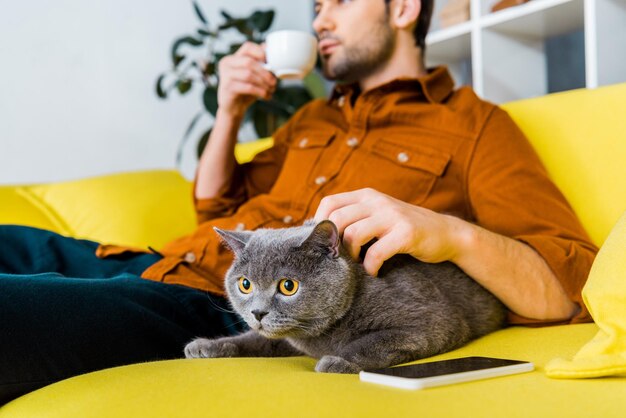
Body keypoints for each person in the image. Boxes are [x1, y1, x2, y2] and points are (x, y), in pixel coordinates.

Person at [0, 0, 596, 405]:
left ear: (404, 8)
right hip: (143, 258)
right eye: (314, 10)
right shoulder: (310, 119)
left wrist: (449, 234)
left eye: (336, 3)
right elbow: (217, 213)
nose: (319, 22)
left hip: (218, 308)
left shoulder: (474, 125)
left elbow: (571, 281)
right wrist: (228, 113)